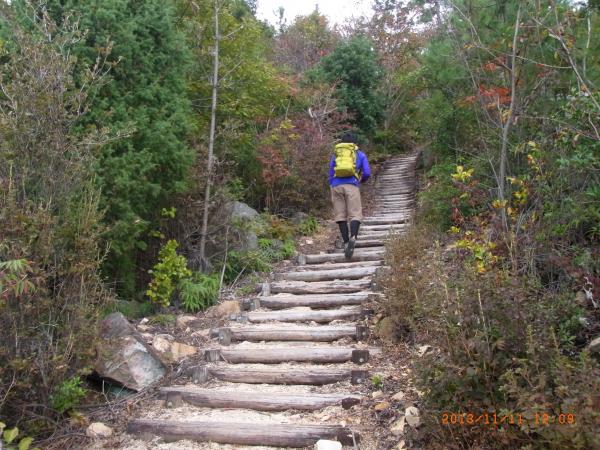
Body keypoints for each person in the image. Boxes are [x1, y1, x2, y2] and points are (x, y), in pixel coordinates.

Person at [329, 132, 371, 258]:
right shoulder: (359, 154)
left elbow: (331, 172)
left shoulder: (336, 154)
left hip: (336, 186)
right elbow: (367, 172)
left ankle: (346, 242)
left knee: (340, 216)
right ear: (354, 143)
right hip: (352, 185)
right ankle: (353, 238)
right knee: (355, 214)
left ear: (341, 142)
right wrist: (360, 180)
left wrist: (332, 184)